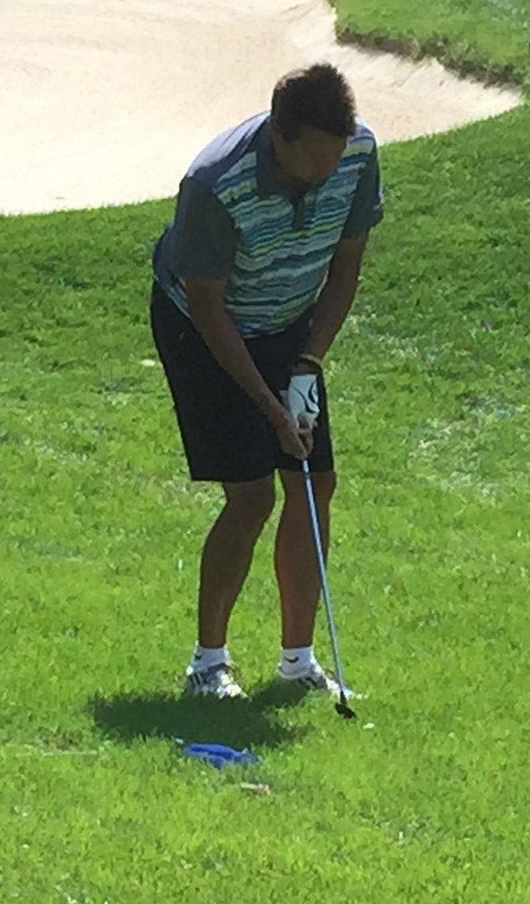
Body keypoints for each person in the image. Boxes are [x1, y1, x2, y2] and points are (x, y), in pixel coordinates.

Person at [150, 62, 380, 699]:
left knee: (313, 482)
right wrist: (271, 411)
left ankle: (297, 664)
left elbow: (346, 267)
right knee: (251, 496)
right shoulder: (214, 184)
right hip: (204, 328)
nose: (329, 170)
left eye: (336, 155)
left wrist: (308, 365)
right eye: (315, 158)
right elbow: (208, 309)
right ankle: (208, 663)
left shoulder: (357, 152)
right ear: (280, 134)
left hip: (289, 321)